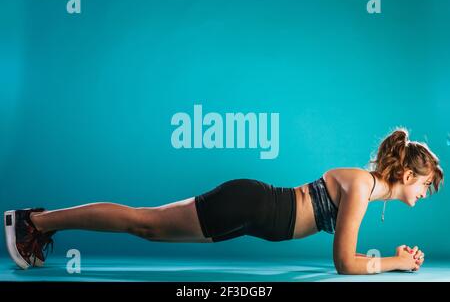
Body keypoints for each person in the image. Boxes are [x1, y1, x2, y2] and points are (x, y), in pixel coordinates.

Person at [4, 127, 444, 275]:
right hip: (248, 207)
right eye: (425, 186)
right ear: (407, 176)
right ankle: (34, 223)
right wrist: (396, 263)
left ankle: (40, 223)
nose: (425, 195)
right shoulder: (362, 187)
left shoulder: (363, 186)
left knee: (147, 225)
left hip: (248, 208)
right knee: (143, 224)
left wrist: (392, 259)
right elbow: (344, 263)